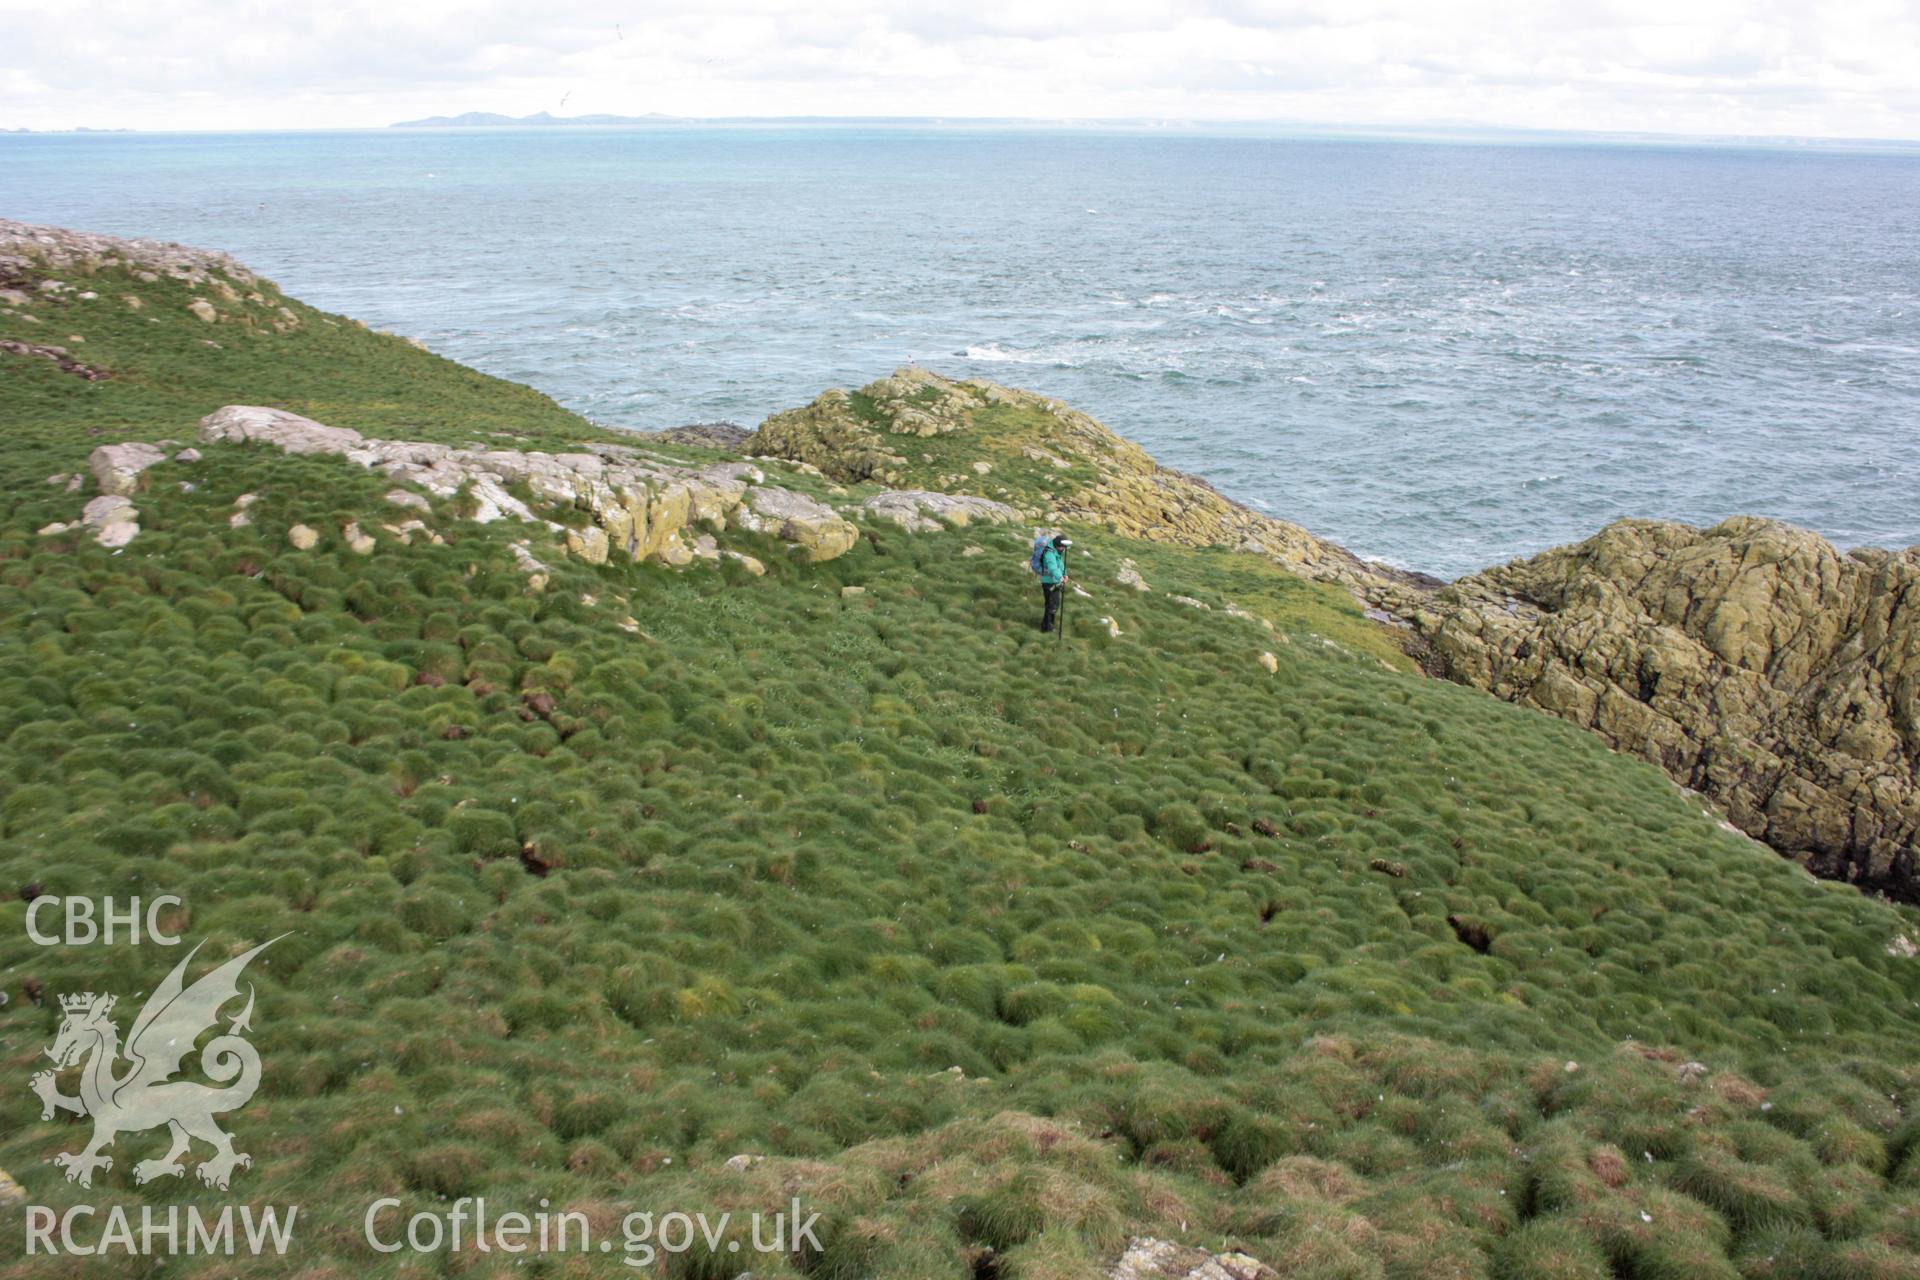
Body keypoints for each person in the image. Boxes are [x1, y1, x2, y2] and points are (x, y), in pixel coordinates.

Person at [1038, 535, 1071, 632]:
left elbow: (1060, 564)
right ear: (1057, 545)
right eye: (1062, 547)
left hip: (1055, 581)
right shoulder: (1049, 553)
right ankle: (1048, 628)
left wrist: (1065, 574)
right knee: (1052, 605)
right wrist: (1060, 577)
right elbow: (1053, 567)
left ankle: (1045, 626)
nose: (1063, 549)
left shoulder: (1057, 551)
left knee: (1052, 605)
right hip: (1048, 582)